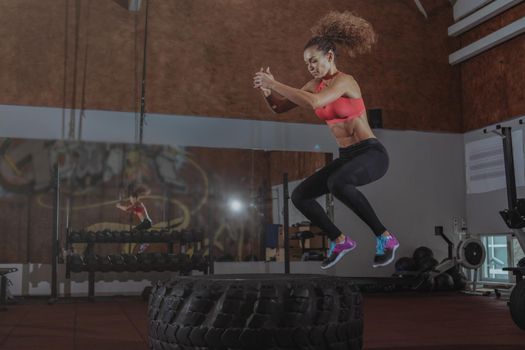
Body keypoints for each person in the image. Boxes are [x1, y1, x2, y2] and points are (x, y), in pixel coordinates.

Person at [253, 11, 398, 269]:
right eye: (307, 63)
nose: (310, 68)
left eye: (313, 61)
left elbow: (316, 103)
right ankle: (339, 240)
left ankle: (385, 238)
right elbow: (279, 108)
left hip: (371, 153)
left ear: (329, 57)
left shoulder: (345, 81)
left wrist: (276, 83)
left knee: (337, 183)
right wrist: (267, 93)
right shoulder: (312, 85)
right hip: (346, 157)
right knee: (300, 196)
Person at [116, 184, 152, 253]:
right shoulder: (137, 206)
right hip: (146, 223)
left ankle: (145, 243)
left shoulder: (137, 203)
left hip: (146, 222)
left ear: (135, 198)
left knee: (134, 230)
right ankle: (144, 242)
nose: (131, 200)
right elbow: (130, 210)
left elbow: (127, 209)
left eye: (131, 199)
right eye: (130, 199)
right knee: (137, 231)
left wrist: (119, 206)